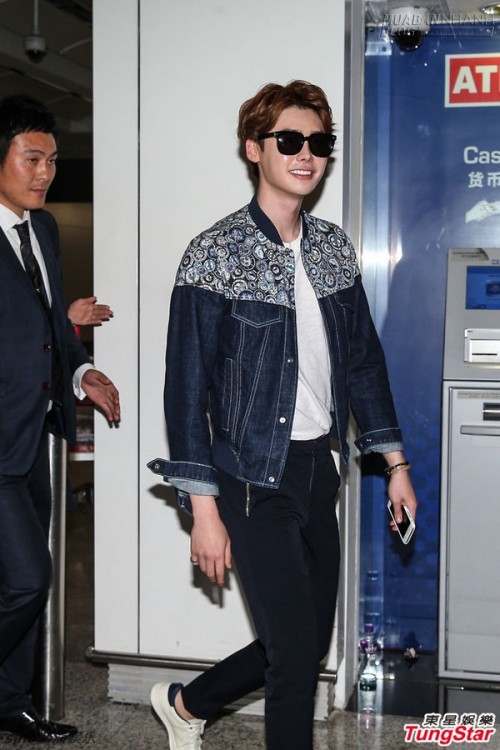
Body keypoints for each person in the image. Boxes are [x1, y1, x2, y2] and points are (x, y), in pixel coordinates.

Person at [148, 80, 417, 750]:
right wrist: (203, 509)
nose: (306, 154)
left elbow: (363, 363)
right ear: (254, 148)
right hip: (248, 477)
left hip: (318, 469)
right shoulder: (215, 252)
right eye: (289, 140)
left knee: (301, 642)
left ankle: (187, 703)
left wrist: (396, 464)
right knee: (295, 656)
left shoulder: (332, 248)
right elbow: (185, 390)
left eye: (318, 143)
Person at [0, 94, 120, 742]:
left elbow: (50, 330)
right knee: (28, 580)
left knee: (24, 585)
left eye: (51, 159)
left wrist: (81, 372)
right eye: (32, 158)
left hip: (36, 438)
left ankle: (11, 702)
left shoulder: (42, 230)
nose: (45, 172)